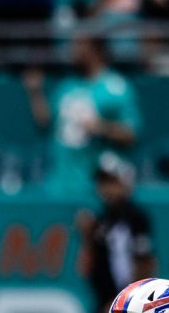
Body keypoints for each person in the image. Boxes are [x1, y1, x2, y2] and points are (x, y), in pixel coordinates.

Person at [24, 34, 141, 200]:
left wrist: (101, 127)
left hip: (95, 188)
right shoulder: (66, 86)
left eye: (78, 44)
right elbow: (45, 123)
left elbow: (131, 134)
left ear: (95, 49)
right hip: (58, 185)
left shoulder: (117, 88)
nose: (72, 50)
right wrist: (35, 93)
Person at [78, 151, 156, 313]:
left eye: (111, 181)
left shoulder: (135, 218)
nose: (106, 189)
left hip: (127, 310)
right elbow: (85, 267)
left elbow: (146, 263)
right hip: (105, 307)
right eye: (102, 182)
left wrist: (123, 303)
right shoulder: (100, 221)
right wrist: (87, 237)